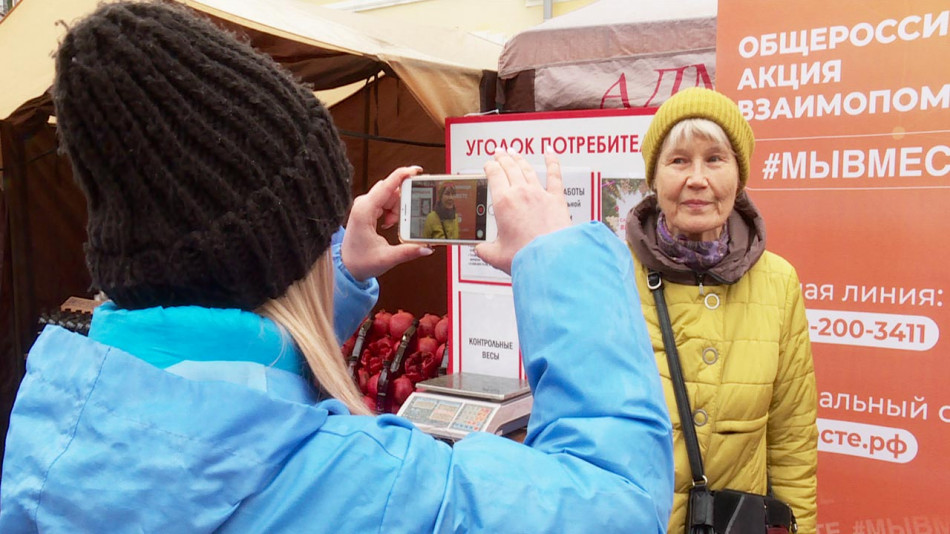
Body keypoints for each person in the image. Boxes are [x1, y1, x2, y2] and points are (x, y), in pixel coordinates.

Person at [0, 3, 673, 532]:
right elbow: (612, 501)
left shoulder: (54, 432)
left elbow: (219, 392)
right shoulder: (373, 487)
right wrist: (554, 259)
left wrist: (337, 277)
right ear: (283, 254)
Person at [626, 87, 818, 532]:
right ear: (654, 178)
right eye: (678, 161)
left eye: (715, 159)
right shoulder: (613, 275)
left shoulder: (778, 282)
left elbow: (792, 440)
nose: (697, 178)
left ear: (738, 175)